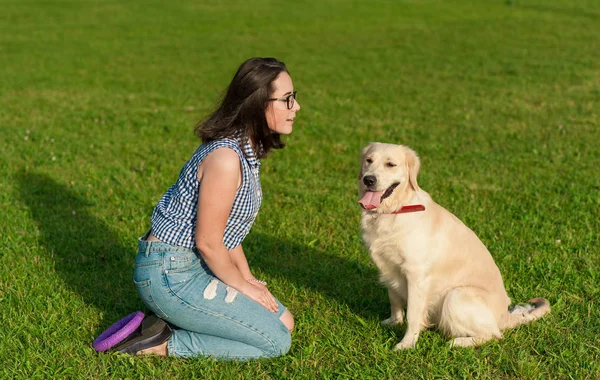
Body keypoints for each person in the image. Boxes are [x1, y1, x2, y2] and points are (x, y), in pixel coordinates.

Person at [116, 57, 300, 360]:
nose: (296, 107)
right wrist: (241, 285)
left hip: (197, 263)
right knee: (275, 342)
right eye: (287, 100)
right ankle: (162, 342)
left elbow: (227, 233)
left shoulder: (246, 148)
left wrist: (248, 278)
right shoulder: (226, 159)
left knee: (285, 323)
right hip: (169, 274)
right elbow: (209, 242)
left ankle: (172, 321)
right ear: (257, 103)